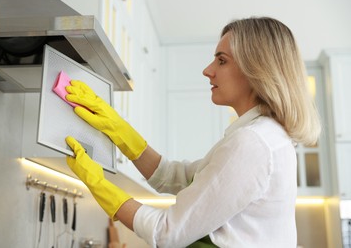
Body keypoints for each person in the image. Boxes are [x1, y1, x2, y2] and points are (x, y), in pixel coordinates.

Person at [64, 16, 321, 248]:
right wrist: (118, 129)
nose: (208, 70)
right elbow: (173, 176)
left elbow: (166, 232)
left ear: (257, 70)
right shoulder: (262, 137)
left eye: (221, 60)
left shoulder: (253, 143)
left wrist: (99, 186)